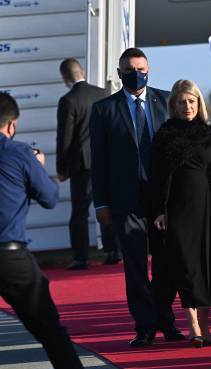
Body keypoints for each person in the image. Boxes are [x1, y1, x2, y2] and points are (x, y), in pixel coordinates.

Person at [0, 92, 95, 369]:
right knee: (49, 331)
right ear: (11, 125)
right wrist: (35, 165)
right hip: (10, 255)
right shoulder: (17, 153)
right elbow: (50, 197)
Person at [90, 48, 183, 347]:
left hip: (162, 200)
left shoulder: (166, 101)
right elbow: (99, 159)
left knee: (167, 263)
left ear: (149, 69)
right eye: (130, 69)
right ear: (119, 73)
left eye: (141, 68)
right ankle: (144, 326)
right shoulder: (104, 110)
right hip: (125, 200)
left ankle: (166, 320)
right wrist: (101, 202)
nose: (136, 73)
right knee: (135, 266)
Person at [150, 80, 211, 347]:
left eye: (191, 101)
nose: (187, 106)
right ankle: (193, 328)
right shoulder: (165, 134)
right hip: (176, 210)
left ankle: (205, 325)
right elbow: (157, 177)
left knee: (205, 267)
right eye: (181, 102)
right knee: (186, 268)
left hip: (207, 208)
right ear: (174, 106)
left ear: (198, 103)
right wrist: (159, 210)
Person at [57, 58, 121, 270]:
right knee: (107, 206)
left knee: (80, 212)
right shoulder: (102, 94)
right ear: (82, 71)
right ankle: (113, 251)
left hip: (81, 165)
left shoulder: (68, 100)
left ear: (65, 77)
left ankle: (81, 257)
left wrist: (62, 168)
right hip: (105, 160)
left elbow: (64, 138)